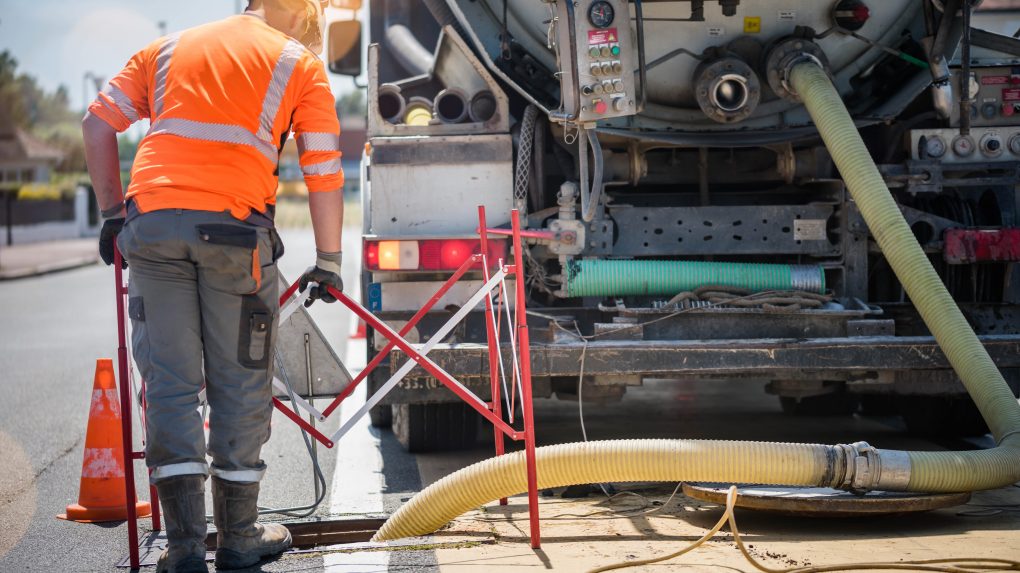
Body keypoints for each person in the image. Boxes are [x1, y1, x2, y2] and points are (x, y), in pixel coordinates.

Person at [81, 1, 343, 571]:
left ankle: (181, 550)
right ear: (295, 9)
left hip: (150, 228)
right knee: (240, 389)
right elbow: (322, 168)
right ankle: (240, 538)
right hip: (233, 237)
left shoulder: (169, 48)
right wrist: (329, 259)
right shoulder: (298, 61)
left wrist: (110, 214)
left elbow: (97, 124)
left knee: (170, 388)